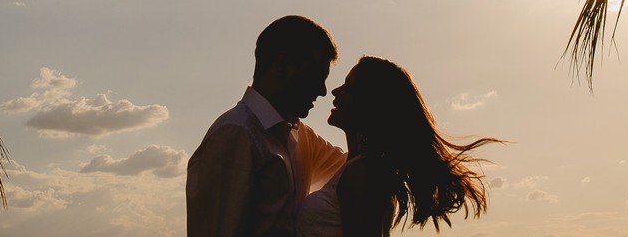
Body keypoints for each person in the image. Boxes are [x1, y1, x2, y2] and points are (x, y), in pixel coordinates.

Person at [295, 56, 495, 237]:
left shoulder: (362, 174)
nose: (335, 91)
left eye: (348, 87)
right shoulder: (358, 168)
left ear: (368, 103)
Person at [187, 15, 347, 236]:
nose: (322, 91)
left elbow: (352, 167)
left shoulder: (301, 136)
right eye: (315, 75)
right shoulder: (235, 133)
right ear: (282, 65)